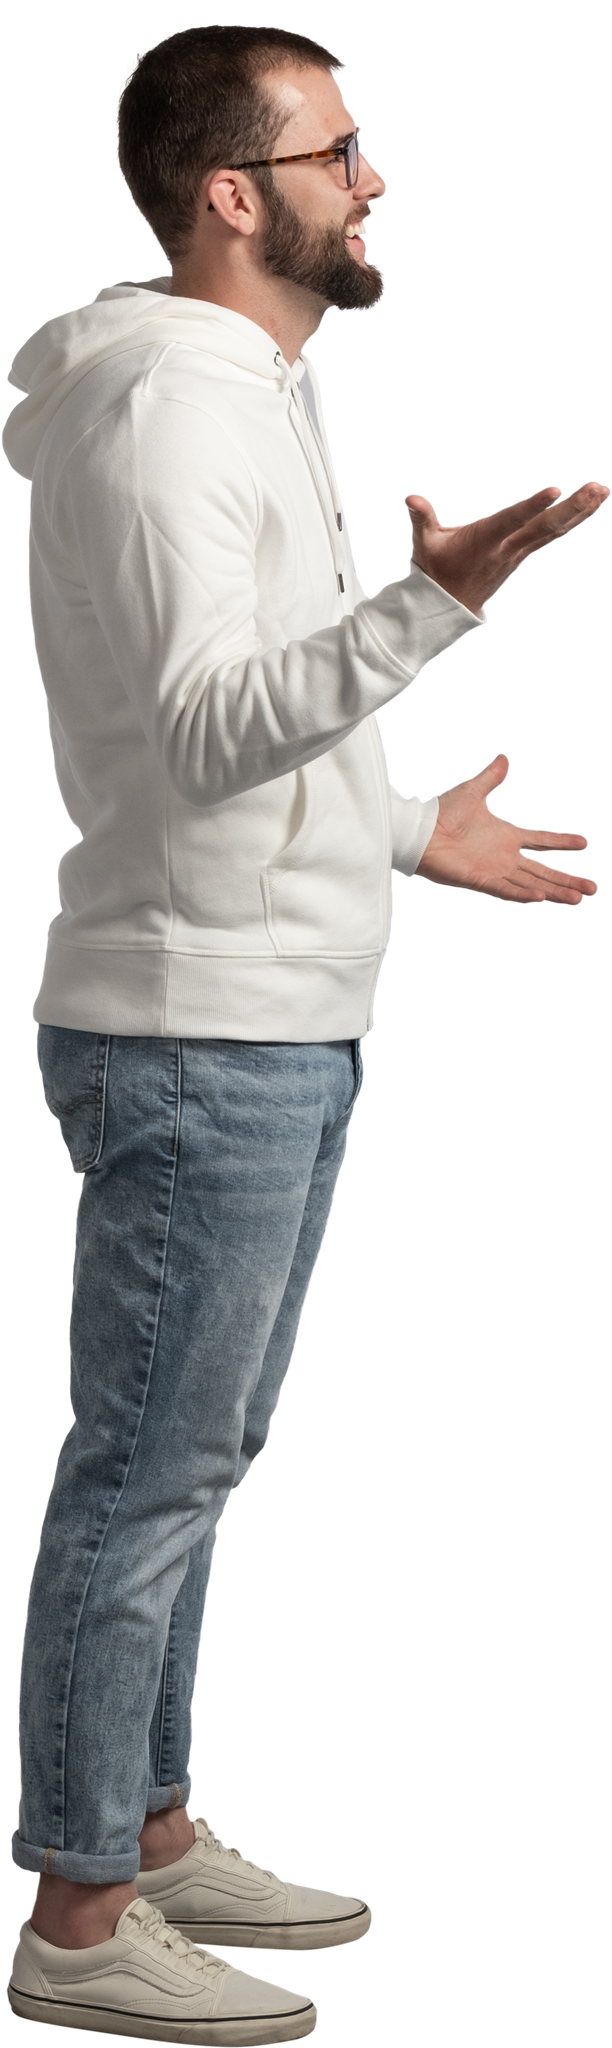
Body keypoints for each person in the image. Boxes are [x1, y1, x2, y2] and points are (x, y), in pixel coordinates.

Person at [3, 24, 607, 2045]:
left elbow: (257, 716)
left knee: (196, 1459)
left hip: (271, 1005)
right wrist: (432, 608)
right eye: (336, 149)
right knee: (144, 1475)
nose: (374, 178)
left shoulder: (261, 381)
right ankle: (79, 1917)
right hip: (196, 1029)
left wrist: (408, 832)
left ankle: (151, 1829)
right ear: (228, 191)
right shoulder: (171, 407)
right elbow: (199, 734)